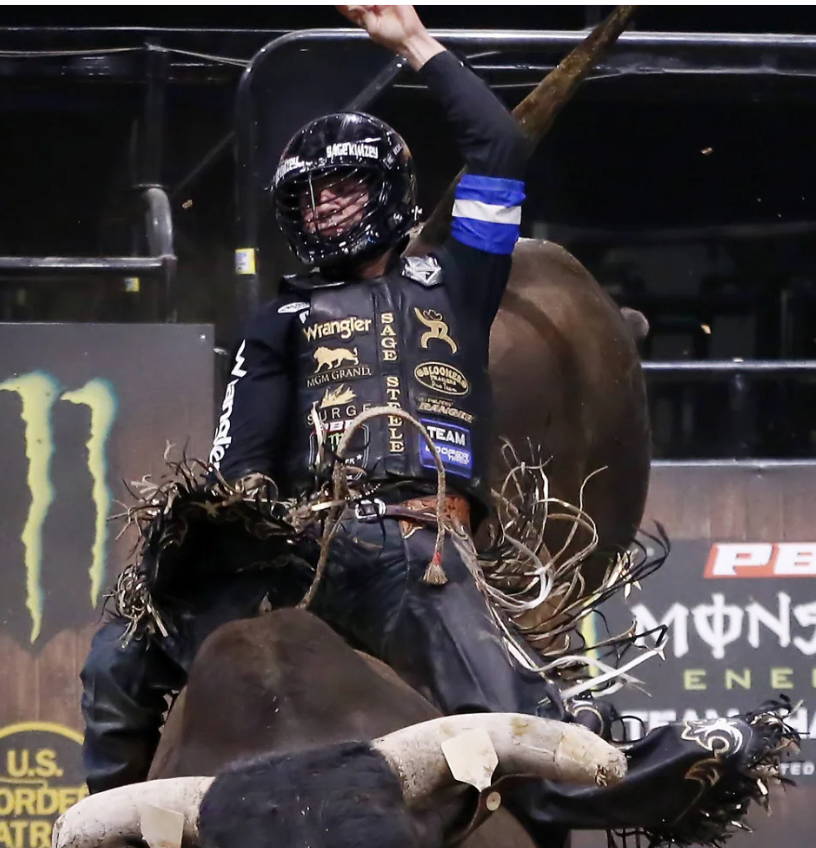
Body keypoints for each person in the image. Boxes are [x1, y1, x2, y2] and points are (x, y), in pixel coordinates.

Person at [80, 7, 796, 847]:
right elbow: (246, 459)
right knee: (116, 658)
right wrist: (226, 527)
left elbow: (499, 147)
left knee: (534, 744)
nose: (325, 209)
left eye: (341, 187)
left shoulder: (462, 281)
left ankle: (682, 764)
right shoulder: (280, 321)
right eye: (308, 197)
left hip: (415, 552)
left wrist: (415, 45)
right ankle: (109, 818)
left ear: (384, 186)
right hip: (294, 548)